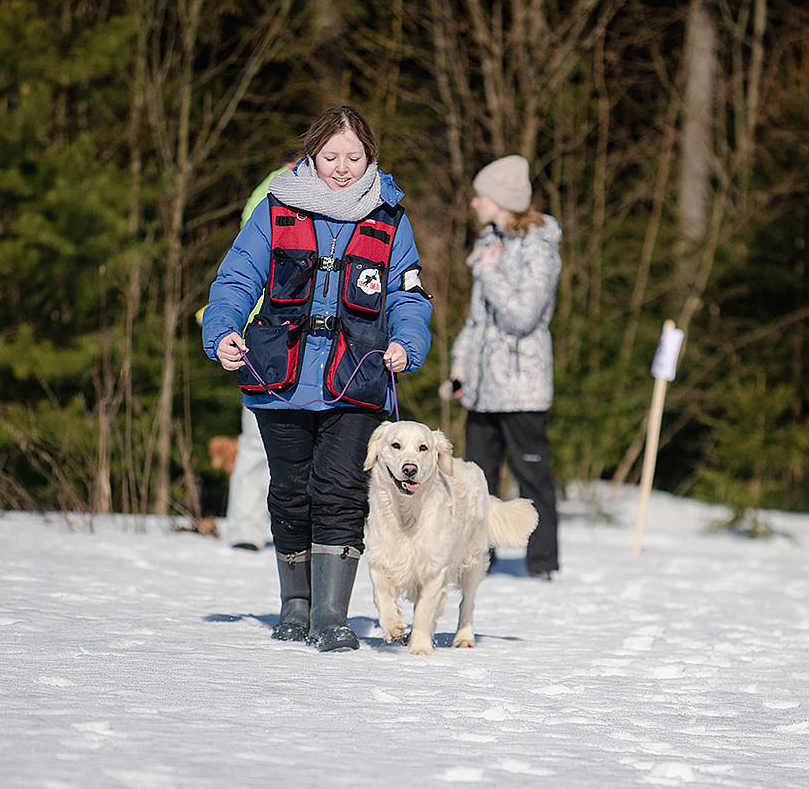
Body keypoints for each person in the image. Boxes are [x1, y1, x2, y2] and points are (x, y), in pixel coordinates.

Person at [202, 106, 433, 651]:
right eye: (331, 157)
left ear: (370, 157)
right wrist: (223, 331)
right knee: (290, 490)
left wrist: (407, 343)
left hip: (358, 377)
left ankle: (331, 616)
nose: (342, 168)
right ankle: (296, 606)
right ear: (312, 155)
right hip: (279, 378)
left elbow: (408, 295)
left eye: (354, 157)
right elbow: (236, 279)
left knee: (341, 490)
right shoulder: (275, 209)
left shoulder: (390, 219)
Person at [447, 155, 562, 579]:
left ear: (502, 199)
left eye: (480, 196)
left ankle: (542, 564)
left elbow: (523, 317)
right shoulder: (487, 241)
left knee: (532, 476)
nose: (474, 204)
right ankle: (480, 560)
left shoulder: (539, 246)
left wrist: (491, 274)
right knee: (476, 481)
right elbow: (478, 319)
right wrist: (460, 366)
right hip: (482, 388)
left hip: (521, 387)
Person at [222, 150, 298, 551]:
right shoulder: (277, 191)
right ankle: (248, 528)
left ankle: (248, 527)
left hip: (270, 329)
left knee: (261, 435)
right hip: (270, 329)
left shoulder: (266, 190)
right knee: (259, 434)